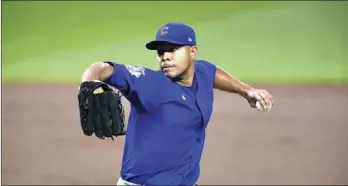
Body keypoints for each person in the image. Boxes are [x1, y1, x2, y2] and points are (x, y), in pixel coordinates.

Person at [81, 22, 274, 185]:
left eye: (173, 49)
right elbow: (102, 69)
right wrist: (91, 82)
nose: (165, 56)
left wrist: (246, 90)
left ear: (192, 52)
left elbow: (213, 72)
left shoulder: (202, 73)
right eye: (161, 52)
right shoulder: (149, 83)